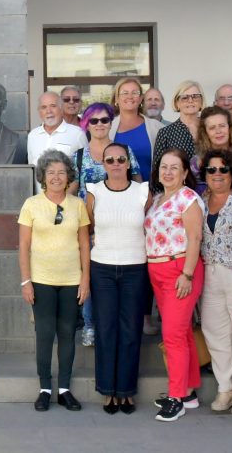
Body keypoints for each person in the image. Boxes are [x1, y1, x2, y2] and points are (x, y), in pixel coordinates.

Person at [18, 149, 90, 413]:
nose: (57, 177)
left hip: (71, 279)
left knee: (68, 334)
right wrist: (26, 281)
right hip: (41, 280)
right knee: (45, 334)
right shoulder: (31, 204)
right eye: (51, 173)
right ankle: (45, 388)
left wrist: (86, 280)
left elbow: (84, 245)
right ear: (43, 176)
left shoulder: (78, 205)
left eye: (61, 172)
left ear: (69, 175)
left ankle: (65, 389)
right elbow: (24, 246)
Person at [85, 142, 149, 415]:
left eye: (120, 159)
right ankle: (107, 390)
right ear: (103, 164)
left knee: (130, 330)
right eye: (109, 160)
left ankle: (126, 391)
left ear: (128, 162)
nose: (115, 164)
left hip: (135, 267)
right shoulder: (94, 192)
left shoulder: (143, 192)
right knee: (106, 329)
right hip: (103, 268)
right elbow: (88, 227)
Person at [145, 148, 204, 422]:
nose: (168, 172)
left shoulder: (188, 198)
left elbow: (194, 238)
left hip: (180, 268)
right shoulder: (157, 199)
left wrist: (188, 274)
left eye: (174, 168)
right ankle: (189, 392)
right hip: (157, 270)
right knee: (182, 334)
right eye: (164, 167)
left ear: (184, 173)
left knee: (173, 335)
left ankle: (176, 397)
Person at [76, 102, 140, 347]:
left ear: (111, 123)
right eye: (94, 121)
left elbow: (137, 183)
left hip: (122, 225)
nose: (100, 124)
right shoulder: (79, 156)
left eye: (104, 120)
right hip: (90, 226)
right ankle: (91, 325)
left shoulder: (124, 151)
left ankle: (117, 325)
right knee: (90, 275)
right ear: (86, 125)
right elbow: (71, 191)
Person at [198, 149, 232, 416]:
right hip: (209, 273)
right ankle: (225, 386)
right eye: (211, 169)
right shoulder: (199, 200)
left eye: (223, 169)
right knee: (214, 332)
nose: (217, 174)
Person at [26, 92, 86, 191]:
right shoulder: (33, 135)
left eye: (53, 106)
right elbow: (31, 169)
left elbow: (84, 170)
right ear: (39, 111)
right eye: (44, 107)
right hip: (39, 202)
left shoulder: (77, 134)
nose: (48, 111)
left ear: (61, 108)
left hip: (67, 202)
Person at [110, 77, 163, 183]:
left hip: (151, 193)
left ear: (140, 99)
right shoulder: (107, 128)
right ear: (116, 99)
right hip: (117, 193)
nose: (130, 96)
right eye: (125, 93)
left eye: (135, 92)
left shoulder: (157, 128)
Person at [151, 80, 205, 184]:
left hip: (210, 192)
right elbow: (157, 170)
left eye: (195, 96)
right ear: (177, 103)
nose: (190, 100)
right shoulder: (166, 133)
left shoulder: (209, 128)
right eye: (185, 97)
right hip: (178, 192)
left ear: (201, 101)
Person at [192, 105, 232, 192]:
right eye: (212, 128)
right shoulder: (196, 163)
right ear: (205, 132)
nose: (218, 131)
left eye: (222, 126)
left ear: (229, 128)